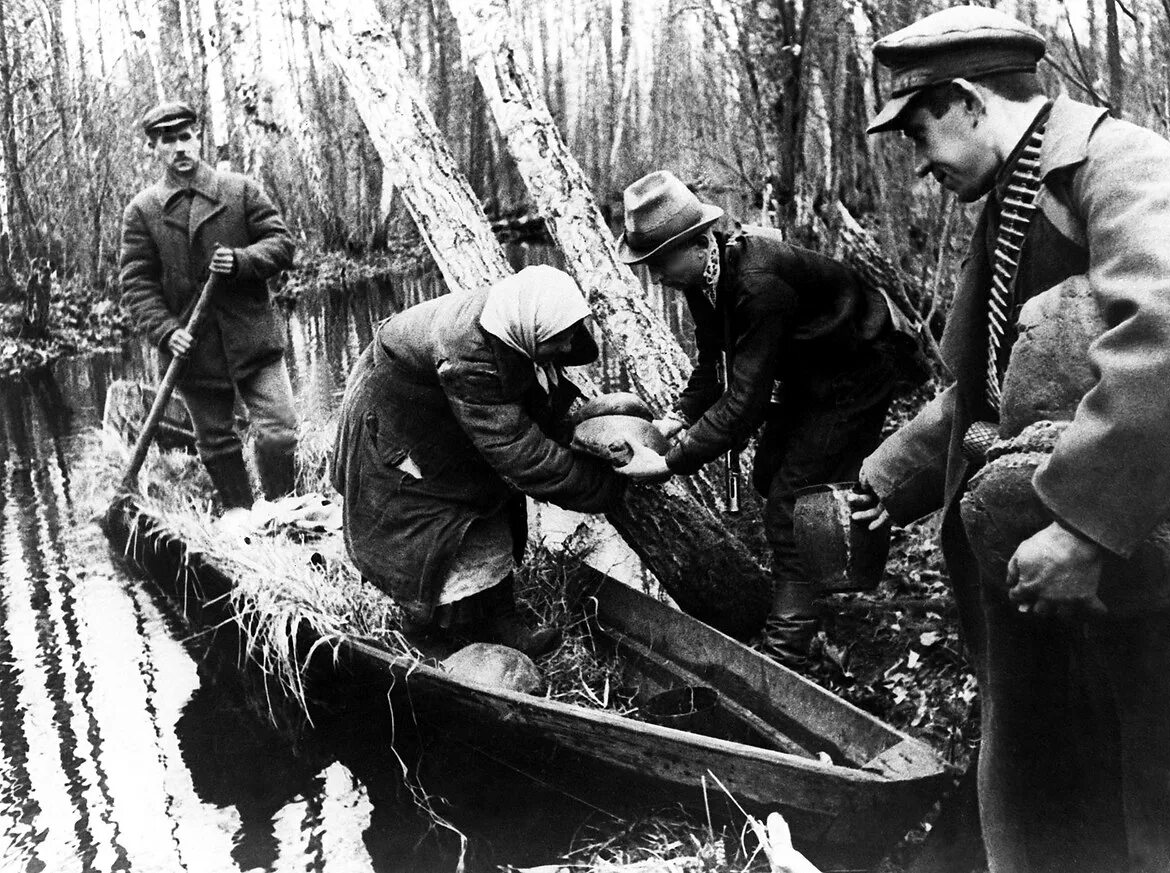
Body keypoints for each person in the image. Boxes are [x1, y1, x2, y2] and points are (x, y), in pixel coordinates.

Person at [854, 6, 1170, 872]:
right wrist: (885, 480)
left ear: (970, 100)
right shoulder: (1015, 195)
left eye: (921, 131)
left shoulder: (1120, 166)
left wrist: (1086, 522)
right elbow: (986, 390)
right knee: (1088, 799)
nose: (919, 164)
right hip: (1119, 560)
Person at [613, 170, 907, 669]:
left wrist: (669, 464)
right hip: (809, 372)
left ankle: (787, 650)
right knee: (770, 474)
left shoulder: (755, 282)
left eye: (659, 261)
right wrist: (675, 419)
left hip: (854, 372)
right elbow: (713, 366)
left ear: (700, 242)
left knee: (789, 507)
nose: (655, 275)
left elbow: (744, 402)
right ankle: (820, 577)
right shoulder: (705, 279)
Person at [330, 266, 625, 657]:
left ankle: (501, 621)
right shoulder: (470, 354)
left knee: (486, 495)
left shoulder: (521, 318)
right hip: (395, 418)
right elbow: (522, 456)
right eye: (561, 339)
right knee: (429, 519)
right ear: (534, 332)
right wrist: (609, 490)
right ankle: (422, 631)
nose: (569, 347)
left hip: (443, 407)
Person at [120, 100, 299, 512]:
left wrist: (241, 261)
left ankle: (283, 512)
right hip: (192, 347)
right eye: (168, 141)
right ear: (153, 148)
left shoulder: (240, 190)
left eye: (186, 137)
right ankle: (241, 517)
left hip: (252, 336)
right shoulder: (142, 212)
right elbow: (137, 285)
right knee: (215, 441)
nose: (180, 148)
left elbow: (281, 244)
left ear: (198, 138)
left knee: (280, 433)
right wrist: (167, 332)